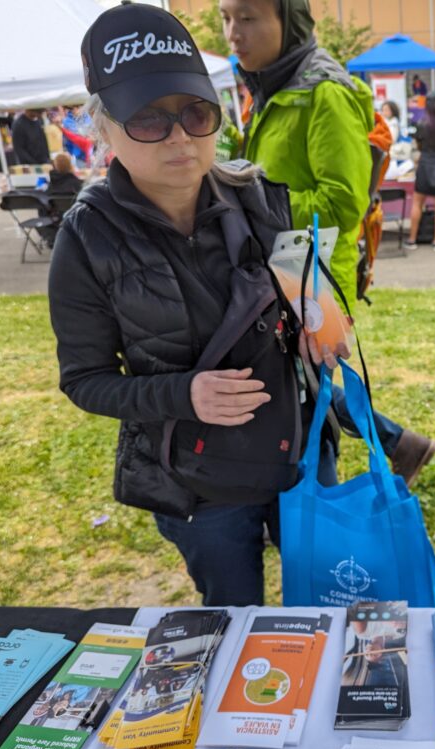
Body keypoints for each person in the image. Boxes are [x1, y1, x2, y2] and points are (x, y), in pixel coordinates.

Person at [50, 3, 343, 608]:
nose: (180, 137)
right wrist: (186, 395)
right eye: (148, 121)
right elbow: (85, 380)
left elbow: (307, 289)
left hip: (300, 461)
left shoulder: (258, 193)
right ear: (102, 130)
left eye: (195, 113)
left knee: (326, 613)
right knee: (235, 625)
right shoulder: (86, 239)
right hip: (199, 489)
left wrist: (325, 325)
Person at [222, 0, 435, 482]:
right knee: (298, 389)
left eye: (248, 18)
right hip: (277, 274)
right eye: (225, 18)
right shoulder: (270, 91)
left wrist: (246, 196)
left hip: (310, 282)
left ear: (289, 22)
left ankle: (323, 518)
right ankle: (396, 445)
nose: (233, 33)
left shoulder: (325, 93)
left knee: (304, 401)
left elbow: (342, 203)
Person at [404, 92, 435, 253]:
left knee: (417, 203)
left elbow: (418, 144)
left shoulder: (421, 124)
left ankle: (412, 239)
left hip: (426, 163)